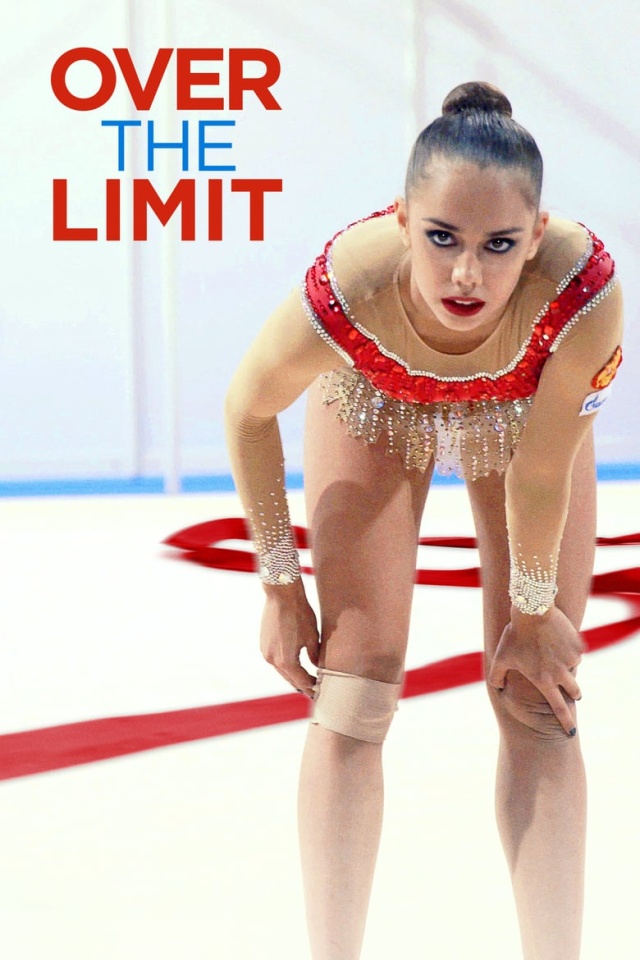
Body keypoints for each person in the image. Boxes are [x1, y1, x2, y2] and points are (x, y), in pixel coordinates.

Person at [224, 81, 623, 960]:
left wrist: (531, 616)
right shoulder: (348, 286)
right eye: (442, 238)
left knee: (539, 698)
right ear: (403, 220)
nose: (467, 275)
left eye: (498, 245)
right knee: (353, 691)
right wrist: (281, 588)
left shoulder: (582, 293)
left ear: (538, 233)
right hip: (374, 396)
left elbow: (541, 471)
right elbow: (248, 410)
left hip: (522, 415)